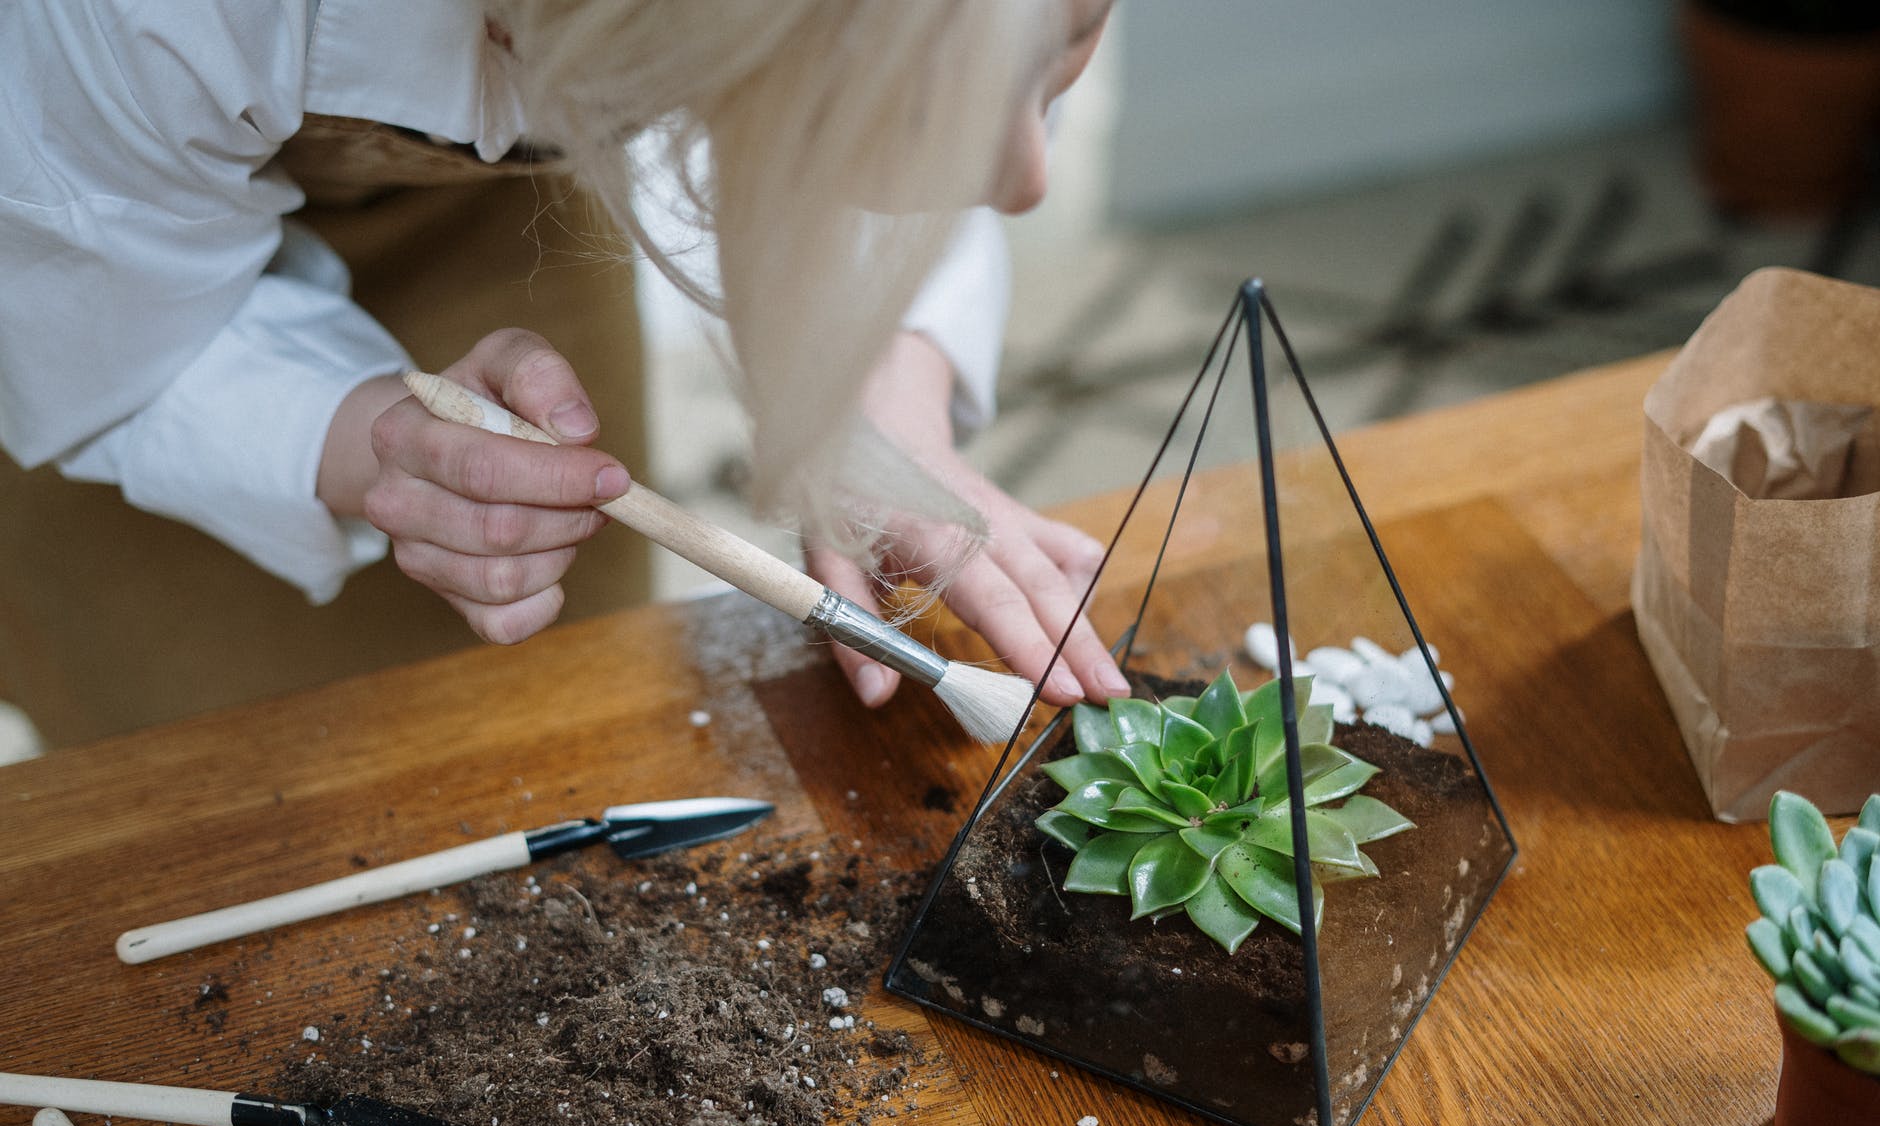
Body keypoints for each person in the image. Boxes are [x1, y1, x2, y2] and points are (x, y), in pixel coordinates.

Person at [0, 0, 1127, 747]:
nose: (1027, 184)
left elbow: (874, 65)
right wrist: (360, 438)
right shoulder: (137, 19)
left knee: (550, 714)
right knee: (234, 769)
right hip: (86, 261)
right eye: (938, 113)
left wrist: (880, 421)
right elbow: (103, 311)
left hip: (501, 225)